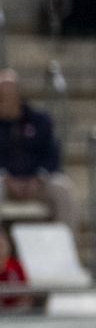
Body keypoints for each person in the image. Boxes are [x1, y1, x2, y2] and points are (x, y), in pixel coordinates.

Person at [0, 70, 79, 227]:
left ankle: (65, 246)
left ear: (17, 96)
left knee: (63, 188)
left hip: (37, 183)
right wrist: (7, 178)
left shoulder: (39, 120)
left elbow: (52, 154)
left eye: (5, 97)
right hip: (5, 183)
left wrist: (38, 177)